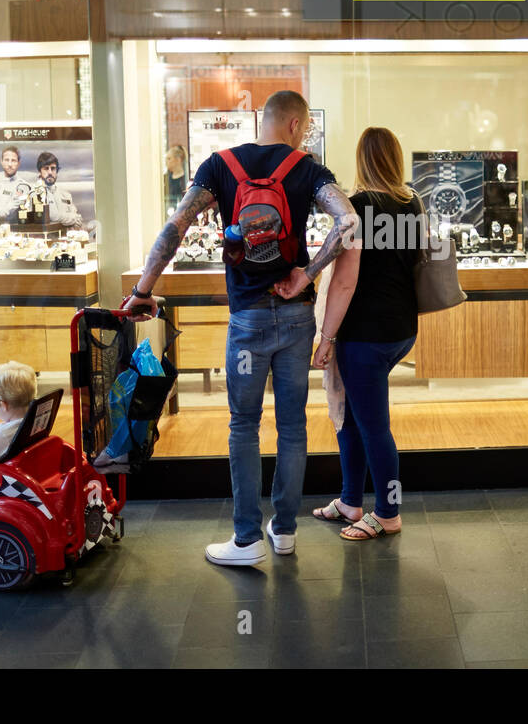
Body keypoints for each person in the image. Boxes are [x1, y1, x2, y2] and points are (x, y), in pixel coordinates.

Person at [123, 90, 358, 567]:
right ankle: (285, 531)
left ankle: (247, 540)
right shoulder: (307, 170)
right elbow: (349, 221)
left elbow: (176, 226)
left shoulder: (219, 165)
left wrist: (143, 290)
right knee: (292, 425)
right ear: (294, 125)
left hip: (247, 317)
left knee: (244, 425)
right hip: (296, 316)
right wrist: (307, 274)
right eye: (306, 127)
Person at [310, 127, 417, 541]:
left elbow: (345, 282)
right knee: (353, 417)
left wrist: (328, 337)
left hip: (365, 335)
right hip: (401, 329)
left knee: (373, 425)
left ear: (361, 159)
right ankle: (351, 500)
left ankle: (388, 513)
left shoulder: (355, 209)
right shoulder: (413, 203)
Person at [32, 151, 84, 229]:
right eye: (46, 168)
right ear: (40, 171)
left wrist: (75, 220)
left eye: (53, 168)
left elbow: (78, 218)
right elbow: (52, 216)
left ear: (57, 171)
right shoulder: (35, 193)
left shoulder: (66, 195)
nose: (50, 172)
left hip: (66, 238)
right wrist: (73, 219)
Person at [164, 145, 188, 210]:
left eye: (169, 158)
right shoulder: (164, 179)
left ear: (178, 160)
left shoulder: (186, 180)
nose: (166, 162)